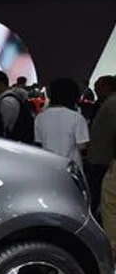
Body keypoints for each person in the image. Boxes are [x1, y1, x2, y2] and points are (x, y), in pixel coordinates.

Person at [34, 78, 89, 168]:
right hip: (71, 166)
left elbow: (39, 142)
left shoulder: (40, 117)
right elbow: (82, 146)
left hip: (48, 165)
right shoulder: (77, 117)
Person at [85, 75, 116, 220]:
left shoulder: (112, 103)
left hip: (103, 158)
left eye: (98, 87)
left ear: (107, 87)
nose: (96, 90)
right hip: (102, 157)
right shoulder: (109, 102)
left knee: (98, 195)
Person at [0, 70, 34, 142]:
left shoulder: (7, 101)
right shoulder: (11, 98)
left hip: (15, 142)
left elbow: (3, 126)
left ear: (0, 84)